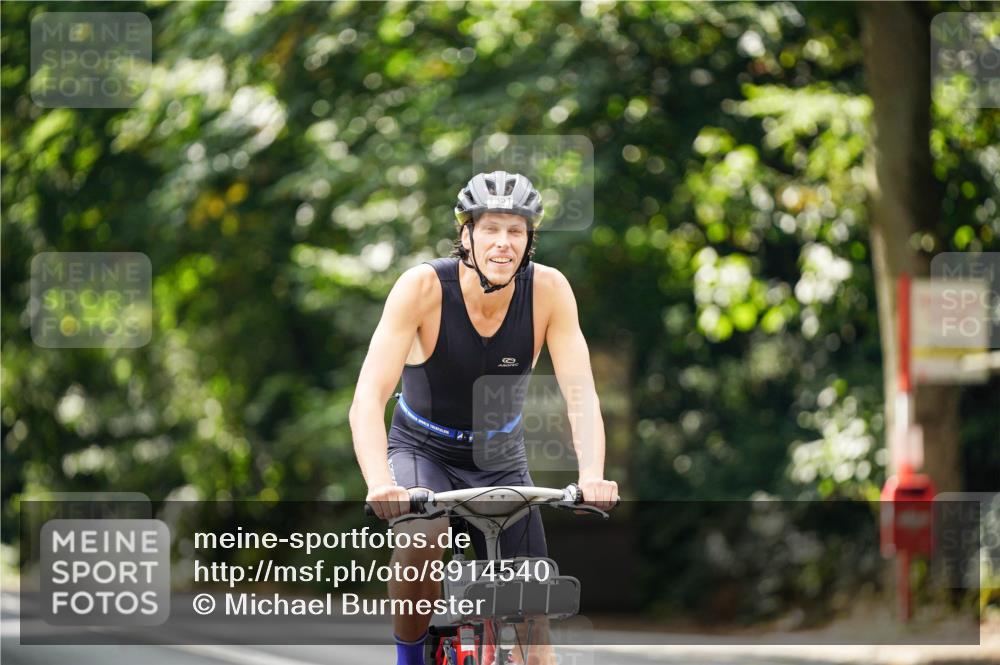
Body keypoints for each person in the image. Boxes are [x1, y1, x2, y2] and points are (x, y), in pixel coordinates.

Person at [350, 170, 618, 665]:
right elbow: (368, 396)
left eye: (516, 231)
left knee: (536, 639)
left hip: (499, 458)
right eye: (491, 228)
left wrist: (592, 476)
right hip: (422, 449)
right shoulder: (423, 287)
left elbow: (580, 394)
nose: (503, 242)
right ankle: (409, 657)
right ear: (466, 234)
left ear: (529, 240)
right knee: (422, 538)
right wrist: (379, 483)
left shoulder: (549, 290)